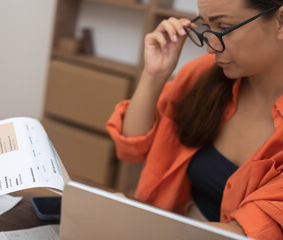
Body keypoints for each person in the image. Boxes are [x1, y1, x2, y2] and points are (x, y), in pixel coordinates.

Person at [106, 0, 283, 239]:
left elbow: (251, 232)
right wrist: (154, 75)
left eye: (223, 27)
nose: (210, 47)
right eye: (206, 25)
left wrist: (138, 224)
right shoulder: (205, 74)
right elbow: (131, 147)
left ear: (280, 21)